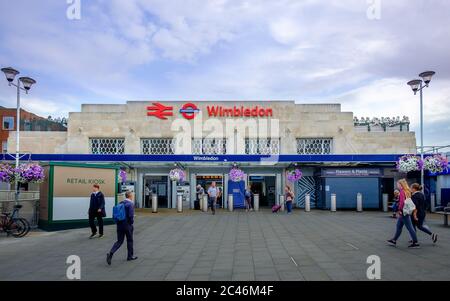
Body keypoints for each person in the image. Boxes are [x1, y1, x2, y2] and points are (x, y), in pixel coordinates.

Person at [107, 190, 137, 265]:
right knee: (129, 240)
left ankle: (111, 253)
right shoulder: (130, 204)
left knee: (119, 241)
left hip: (119, 225)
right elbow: (130, 216)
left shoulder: (121, 203)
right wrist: (131, 223)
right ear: (130, 196)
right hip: (127, 225)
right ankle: (130, 256)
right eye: (132, 195)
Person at [387, 179, 420, 248]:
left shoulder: (402, 191)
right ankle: (394, 240)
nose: (397, 185)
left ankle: (415, 242)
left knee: (410, 227)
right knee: (399, 226)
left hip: (403, 212)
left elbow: (402, 202)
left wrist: (399, 209)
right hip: (406, 211)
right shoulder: (408, 191)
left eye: (398, 184)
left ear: (401, 184)